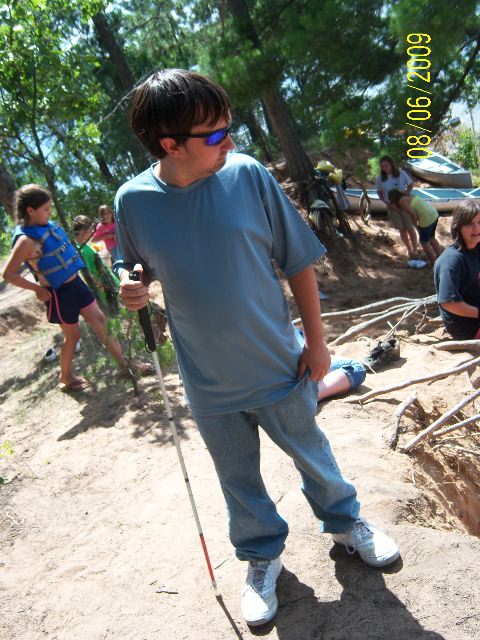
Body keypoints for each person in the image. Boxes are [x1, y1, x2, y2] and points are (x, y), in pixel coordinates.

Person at [115, 70, 399, 627]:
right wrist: (130, 285)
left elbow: (298, 260)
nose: (230, 141)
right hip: (208, 382)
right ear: (170, 144)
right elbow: (133, 265)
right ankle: (262, 557)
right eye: (216, 134)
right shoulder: (133, 201)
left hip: (279, 364)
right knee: (237, 479)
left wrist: (317, 343)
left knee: (313, 454)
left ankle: (347, 524)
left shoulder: (247, 175)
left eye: (229, 127)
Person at [2, 185, 146, 391]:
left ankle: (125, 365)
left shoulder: (49, 226)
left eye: (50, 208)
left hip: (77, 285)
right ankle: (66, 377)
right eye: (46, 209)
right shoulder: (26, 240)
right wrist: (37, 289)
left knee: (101, 322)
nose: (50, 213)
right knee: (73, 336)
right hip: (59, 294)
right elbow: (9, 274)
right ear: (30, 210)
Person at [434, 200, 480, 340]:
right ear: (458, 226)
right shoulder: (452, 260)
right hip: (468, 325)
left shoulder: (476, 247)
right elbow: (449, 302)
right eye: (470, 223)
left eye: (479, 222)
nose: (476, 228)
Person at [73, 215, 120, 315]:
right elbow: (87, 272)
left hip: (106, 280)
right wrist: (99, 285)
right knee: (112, 309)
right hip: (102, 286)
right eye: (90, 230)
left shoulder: (85, 245)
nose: (92, 232)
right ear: (82, 231)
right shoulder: (80, 250)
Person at [375, 155, 419, 258]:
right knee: (401, 228)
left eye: (386, 165)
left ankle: (415, 248)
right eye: (382, 166)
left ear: (391, 164)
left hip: (404, 203)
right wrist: (387, 203)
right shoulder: (380, 178)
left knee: (410, 227)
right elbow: (379, 193)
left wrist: (406, 194)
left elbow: (410, 185)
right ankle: (408, 249)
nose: (384, 168)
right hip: (392, 206)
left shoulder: (401, 173)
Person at [388, 188, 442, 266]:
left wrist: (416, 226)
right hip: (433, 213)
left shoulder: (402, 201)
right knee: (431, 237)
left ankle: (433, 263)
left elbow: (413, 214)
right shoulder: (408, 195)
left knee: (424, 242)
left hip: (426, 218)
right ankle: (440, 258)